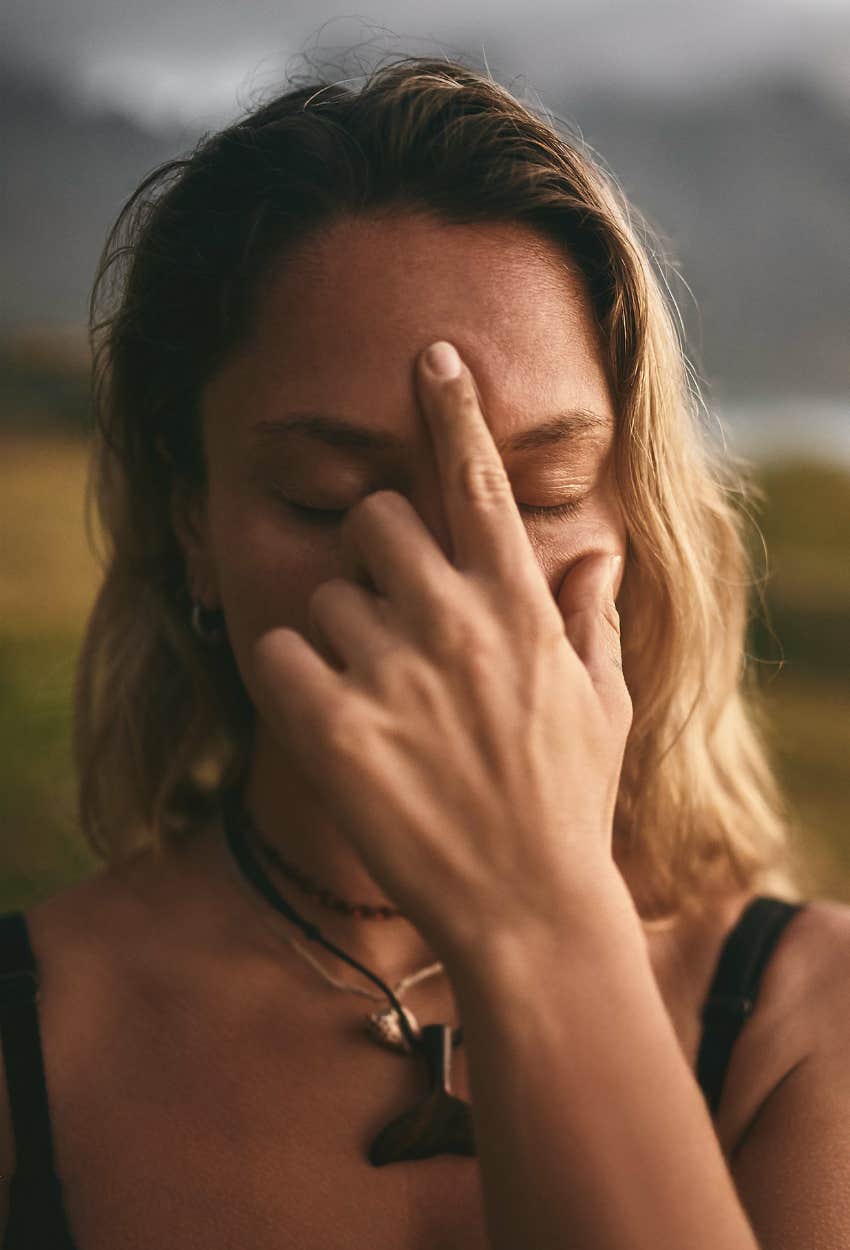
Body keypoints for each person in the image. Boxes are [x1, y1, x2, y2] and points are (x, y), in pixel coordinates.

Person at [0, 53, 847, 1250]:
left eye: (542, 489)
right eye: (325, 494)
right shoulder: (33, 1039)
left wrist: (539, 916)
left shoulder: (806, 1011)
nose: (449, 577)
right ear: (193, 523)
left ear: (633, 510)